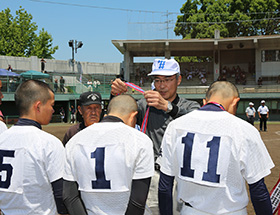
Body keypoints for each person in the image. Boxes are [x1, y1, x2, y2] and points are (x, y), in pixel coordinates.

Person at [159, 81, 274, 215]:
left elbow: (164, 186)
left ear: (204, 101)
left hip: (189, 211)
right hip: (232, 211)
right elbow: (258, 190)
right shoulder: (245, 130)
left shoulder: (175, 126)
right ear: (235, 101)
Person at [111, 58, 200, 213]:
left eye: (167, 80)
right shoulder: (144, 105)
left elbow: (198, 122)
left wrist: (169, 107)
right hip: (153, 176)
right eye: (157, 80)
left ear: (178, 80)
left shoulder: (190, 106)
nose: (162, 85)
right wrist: (115, 96)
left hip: (182, 178)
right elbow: (117, 118)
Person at [63, 95, 154, 215]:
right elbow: (138, 201)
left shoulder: (75, 140)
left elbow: (69, 196)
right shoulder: (140, 140)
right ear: (133, 116)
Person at [0, 80, 67, 214]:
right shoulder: (49, 143)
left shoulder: (2, 138)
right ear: (38, 106)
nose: (53, 110)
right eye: (51, 105)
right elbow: (61, 194)